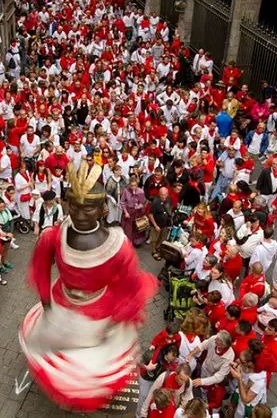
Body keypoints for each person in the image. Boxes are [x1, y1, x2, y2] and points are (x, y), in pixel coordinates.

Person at [20, 162, 158, 412]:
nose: (81, 215)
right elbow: (40, 269)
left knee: (87, 366)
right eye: (75, 206)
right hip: (63, 304)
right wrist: (47, 305)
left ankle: (78, 398)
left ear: (103, 208)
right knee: (64, 360)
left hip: (99, 311)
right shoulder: (54, 235)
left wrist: (115, 320)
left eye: (89, 207)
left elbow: (130, 287)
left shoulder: (118, 247)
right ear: (67, 204)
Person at [184, 331, 235, 413]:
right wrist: (191, 354)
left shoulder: (229, 356)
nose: (214, 339)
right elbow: (202, 346)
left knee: (209, 391)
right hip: (205, 368)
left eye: (217, 340)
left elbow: (219, 377)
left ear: (222, 344)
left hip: (213, 377)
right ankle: (203, 394)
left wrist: (202, 381)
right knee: (203, 388)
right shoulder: (214, 338)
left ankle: (205, 401)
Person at [229, 349, 268, 418]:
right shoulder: (246, 366)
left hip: (246, 404)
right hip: (240, 392)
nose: (238, 361)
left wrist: (239, 379)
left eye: (241, 361)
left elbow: (245, 400)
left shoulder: (258, 381)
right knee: (233, 409)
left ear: (250, 364)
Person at [121, 176, 148, 245]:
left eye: (135, 185)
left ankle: (136, 242)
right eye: (132, 185)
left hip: (138, 212)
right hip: (129, 212)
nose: (133, 187)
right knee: (128, 229)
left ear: (137, 185)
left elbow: (143, 202)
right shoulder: (126, 191)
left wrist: (139, 206)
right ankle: (128, 243)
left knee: (137, 228)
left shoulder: (141, 191)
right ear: (129, 185)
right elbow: (122, 202)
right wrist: (125, 212)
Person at [148, 187, 173, 260]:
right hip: (156, 225)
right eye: (162, 195)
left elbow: (168, 209)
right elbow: (150, 215)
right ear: (159, 194)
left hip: (164, 225)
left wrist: (169, 222)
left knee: (162, 238)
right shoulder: (155, 202)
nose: (163, 196)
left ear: (167, 194)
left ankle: (158, 247)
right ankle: (153, 251)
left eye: (165, 195)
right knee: (154, 239)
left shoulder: (168, 199)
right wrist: (155, 225)